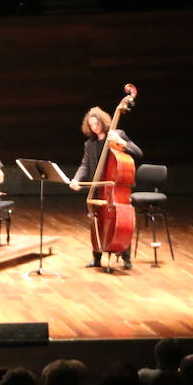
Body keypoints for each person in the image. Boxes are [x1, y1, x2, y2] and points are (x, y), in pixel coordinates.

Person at [68, 105, 142, 269]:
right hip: (99, 189)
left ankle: (126, 257)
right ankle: (97, 256)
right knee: (97, 220)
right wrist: (76, 179)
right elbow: (85, 165)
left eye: (97, 124)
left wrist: (121, 142)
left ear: (103, 122)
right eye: (91, 125)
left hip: (114, 189)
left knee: (119, 220)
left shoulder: (117, 135)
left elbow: (138, 153)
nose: (94, 128)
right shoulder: (90, 144)